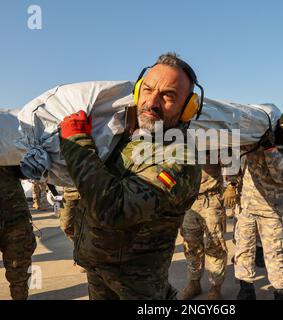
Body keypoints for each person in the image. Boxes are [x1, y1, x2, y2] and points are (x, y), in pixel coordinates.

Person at [59, 53, 202, 300]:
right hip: (98, 268)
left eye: (168, 96)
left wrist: (77, 143)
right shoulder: (127, 137)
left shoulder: (180, 158)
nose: (153, 102)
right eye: (147, 89)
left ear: (187, 109)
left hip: (137, 284)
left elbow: (115, 208)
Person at [235, 110, 283, 300]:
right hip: (248, 207)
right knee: (243, 250)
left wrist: (270, 148)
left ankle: (280, 291)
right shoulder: (257, 140)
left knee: (275, 253)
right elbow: (234, 145)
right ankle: (246, 287)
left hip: (271, 211)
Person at [180, 156, 235, 300]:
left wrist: (231, 184)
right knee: (190, 244)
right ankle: (194, 282)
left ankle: (215, 287)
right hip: (189, 201)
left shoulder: (212, 139)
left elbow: (231, 158)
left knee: (215, 245)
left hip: (211, 200)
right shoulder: (183, 141)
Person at [0, 166, 37, 300]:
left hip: (15, 218)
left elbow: (25, 171)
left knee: (19, 271)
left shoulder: (6, 146)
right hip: (15, 215)